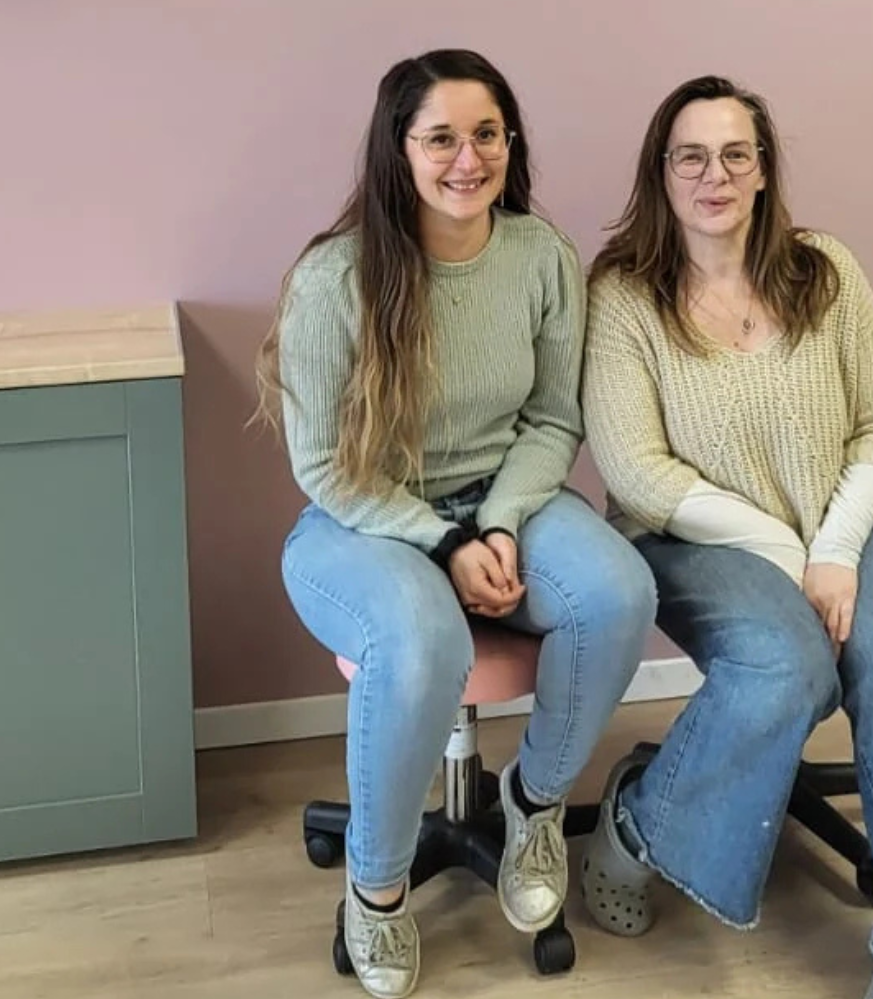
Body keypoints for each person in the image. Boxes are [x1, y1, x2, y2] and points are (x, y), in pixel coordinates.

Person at [253, 49, 657, 999]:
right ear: (400, 150)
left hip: (505, 496)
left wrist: (505, 526)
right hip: (365, 523)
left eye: (487, 134)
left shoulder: (541, 258)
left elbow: (555, 419)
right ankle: (378, 887)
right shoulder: (333, 279)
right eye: (441, 137)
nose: (467, 158)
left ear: (511, 144)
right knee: (422, 640)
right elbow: (323, 467)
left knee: (618, 592)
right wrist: (446, 544)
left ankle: (533, 802)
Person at [576, 75, 873, 999]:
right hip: (691, 538)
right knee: (791, 667)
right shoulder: (625, 295)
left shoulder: (824, 270)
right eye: (691, 156)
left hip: (837, 522)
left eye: (735, 154)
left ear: (762, 170)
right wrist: (788, 555)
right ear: (661, 173)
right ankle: (640, 819)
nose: (715, 174)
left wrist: (831, 546)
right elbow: (638, 473)